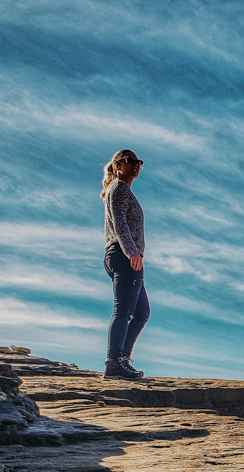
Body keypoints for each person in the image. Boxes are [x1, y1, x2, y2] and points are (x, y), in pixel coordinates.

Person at [101, 149, 149, 380]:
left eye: (138, 162)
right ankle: (114, 362)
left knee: (141, 312)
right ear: (118, 165)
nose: (135, 165)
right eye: (129, 161)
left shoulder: (124, 191)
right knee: (124, 311)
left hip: (124, 255)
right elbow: (120, 223)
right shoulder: (118, 188)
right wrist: (132, 251)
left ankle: (122, 360)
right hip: (123, 254)